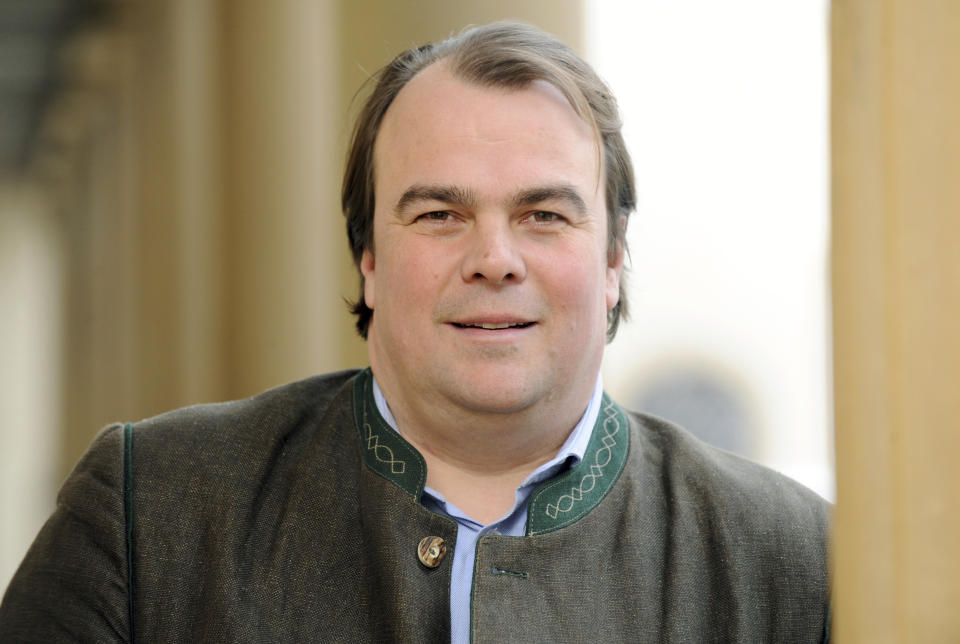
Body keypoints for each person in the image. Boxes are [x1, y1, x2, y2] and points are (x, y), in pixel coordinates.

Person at [0, 21, 829, 643]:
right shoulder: (151, 513)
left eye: (544, 215)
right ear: (367, 258)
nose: (494, 258)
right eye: (440, 213)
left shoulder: (793, 563)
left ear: (613, 259)